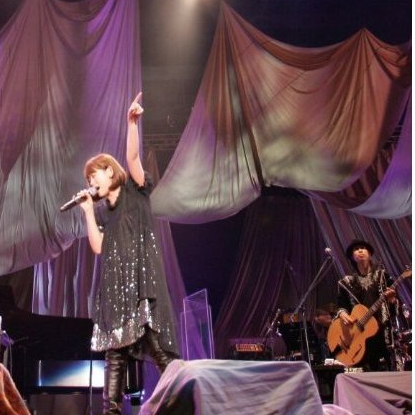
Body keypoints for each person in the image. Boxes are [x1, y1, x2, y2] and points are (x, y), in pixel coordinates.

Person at [78, 93, 179, 414]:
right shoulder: (104, 212)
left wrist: (131, 123)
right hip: (116, 293)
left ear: (110, 171)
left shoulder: (136, 191)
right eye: (88, 178)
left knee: (158, 349)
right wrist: (87, 212)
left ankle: (184, 402)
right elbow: (98, 247)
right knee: (115, 357)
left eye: (94, 174)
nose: (91, 181)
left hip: (142, 287)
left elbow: (133, 157)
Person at [335, 239, 397, 371]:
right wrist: (342, 313)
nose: (360, 251)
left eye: (363, 248)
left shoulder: (383, 276)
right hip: (359, 335)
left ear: (369, 254)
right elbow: (341, 305)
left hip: (381, 331)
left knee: (387, 370)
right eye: (356, 249)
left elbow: (395, 307)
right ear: (352, 257)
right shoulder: (346, 283)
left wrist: (392, 300)